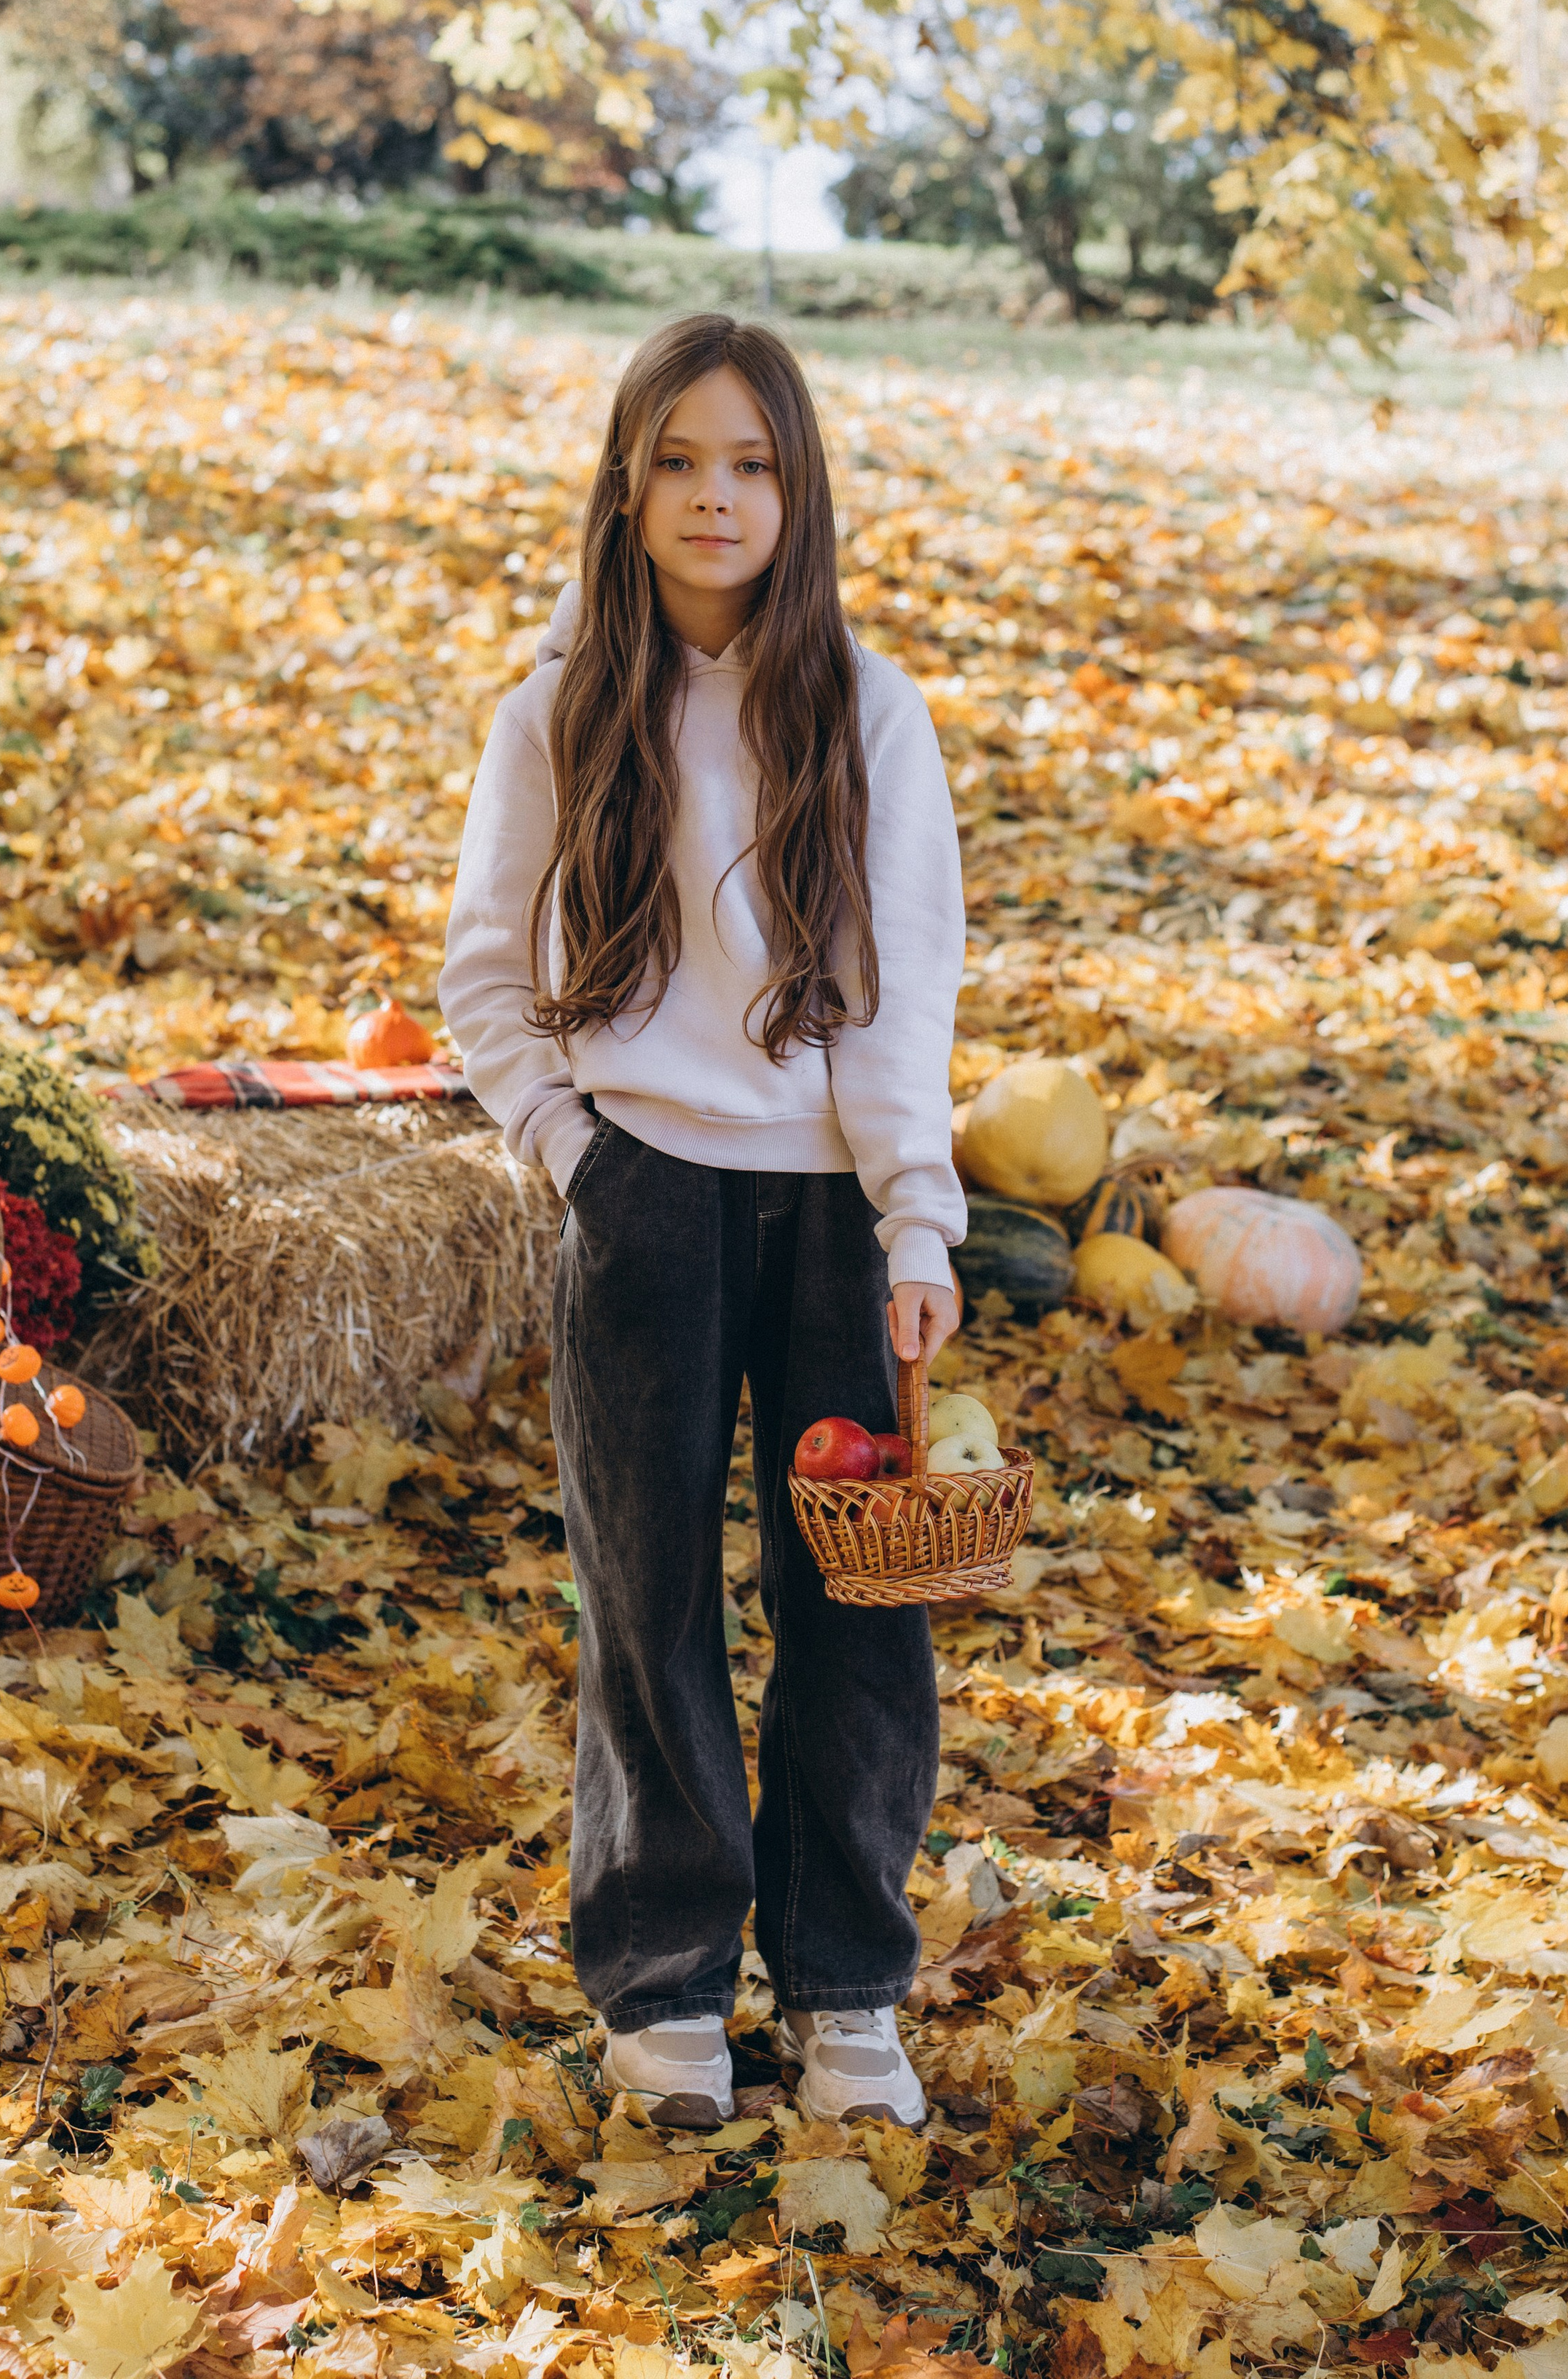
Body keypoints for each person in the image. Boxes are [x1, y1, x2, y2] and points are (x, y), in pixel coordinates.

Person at [440, 312, 964, 2130]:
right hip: (642, 1201)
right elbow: (486, 974)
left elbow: (902, 992)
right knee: (645, 1594)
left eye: (749, 463)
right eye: (677, 460)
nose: (714, 496)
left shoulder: (869, 711)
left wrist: (914, 1223)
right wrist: (575, 1152)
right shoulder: (559, 708)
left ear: (796, 489)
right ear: (625, 485)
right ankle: (665, 1986)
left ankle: (844, 1986)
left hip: (831, 1215)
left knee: (854, 1602)